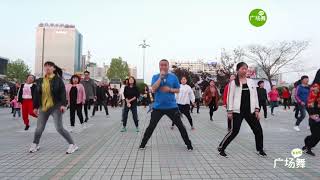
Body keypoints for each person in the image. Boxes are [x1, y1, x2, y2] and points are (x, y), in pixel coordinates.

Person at [139, 59, 193, 151]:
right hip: (158, 107)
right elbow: (153, 88)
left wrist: (170, 89)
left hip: (172, 107)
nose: (163, 67)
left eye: (165, 65)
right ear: (159, 66)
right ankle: (142, 144)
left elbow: (178, 90)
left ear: (168, 66)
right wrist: (160, 78)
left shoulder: (173, 77)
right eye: (161, 65)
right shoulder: (155, 77)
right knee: (151, 126)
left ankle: (189, 145)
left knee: (180, 126)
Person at [218, 62, 266, 158]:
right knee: (234, 131)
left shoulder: (251, 82)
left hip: (250, 111)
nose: (245, 70)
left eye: (246, 69)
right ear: (238, 70)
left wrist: (257, 110)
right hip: (237, 111)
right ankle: (221, 148)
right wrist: (229, 111)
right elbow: (229, 97)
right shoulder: (233, 83)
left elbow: (255, 96)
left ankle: (259, 149)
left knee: (258, 130)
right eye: (242, 68)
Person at [29, 61, 78, 154]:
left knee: (59, 128)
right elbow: (36, 94)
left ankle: (73, 144)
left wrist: (63, 105)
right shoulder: (40, 80)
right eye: (46, 66)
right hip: (43, 107)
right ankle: (35, 144)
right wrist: (35, 107)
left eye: (50, 66)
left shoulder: (58, 80)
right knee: (39, 128)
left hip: (56, 107)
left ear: (54, 68)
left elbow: (63, 93)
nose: (47, 68)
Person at [302, 69, 320, 156]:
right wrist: (312, 114)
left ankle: (307, 144)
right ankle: (307, 146)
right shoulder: (316, 86)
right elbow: (310, 101)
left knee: (317, 134)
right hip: (316, 114)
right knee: (317, 134)